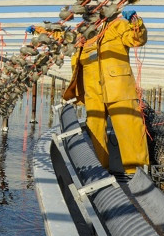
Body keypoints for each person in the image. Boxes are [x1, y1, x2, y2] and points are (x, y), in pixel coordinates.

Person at [62, 10, 149, 175]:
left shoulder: (117, 25)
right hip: (92, 91)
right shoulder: (82, 36)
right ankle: (100, 171)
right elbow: (60, 35)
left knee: (128, 126)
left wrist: (135, 21)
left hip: (118, 86)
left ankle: (136, 174)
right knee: (94, 130)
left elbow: (137, 39)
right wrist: (39, 31)